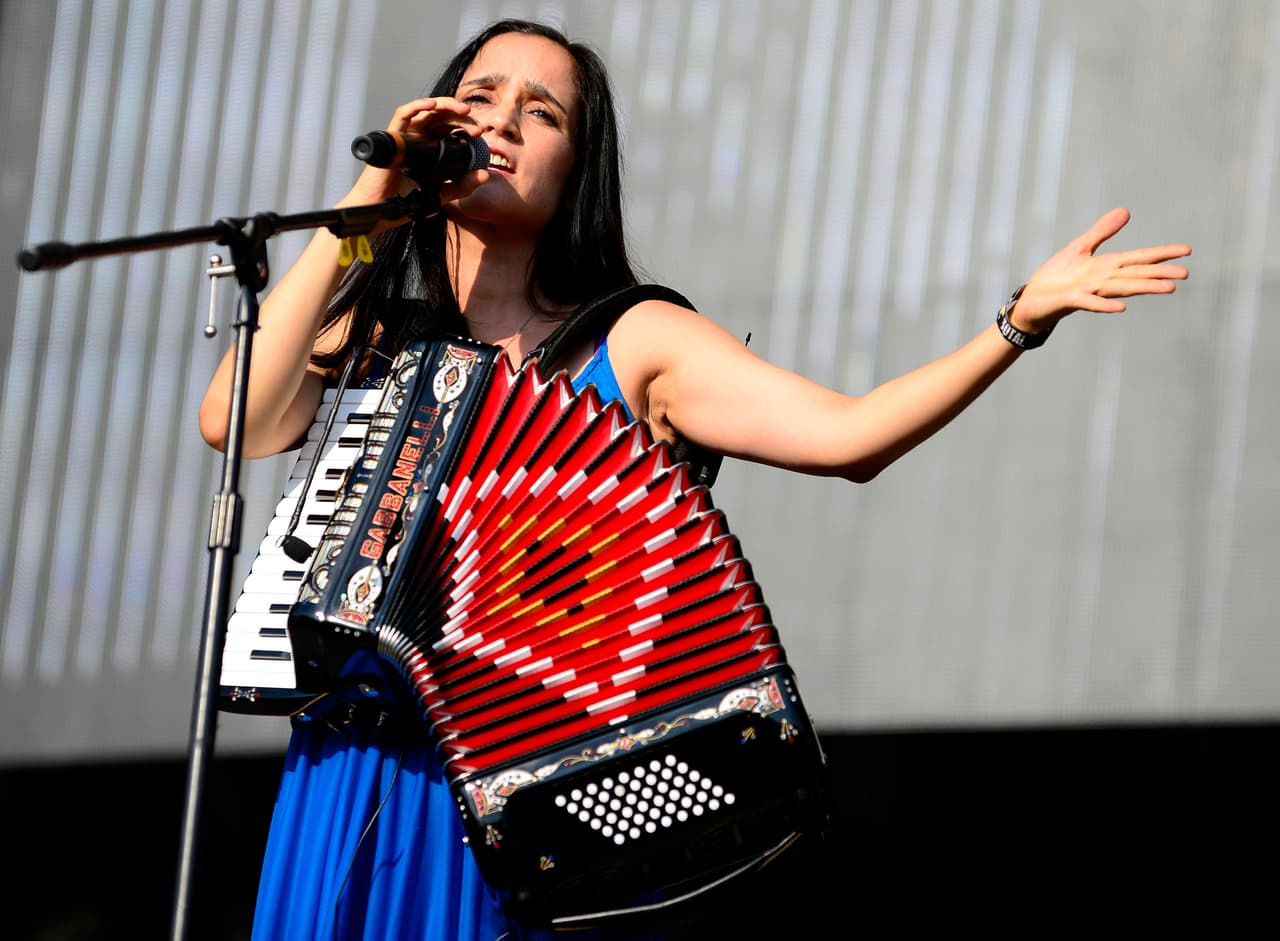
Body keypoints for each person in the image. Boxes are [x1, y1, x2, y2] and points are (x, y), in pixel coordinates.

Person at [198, 17, 1191, 941]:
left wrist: (1017, 320)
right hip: (340, 774)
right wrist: (368, 202)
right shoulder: (373, 339)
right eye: (481, 95)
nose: (500, 120)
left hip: (499, 799)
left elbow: (850, 435)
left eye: (539, 112)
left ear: (576, 169)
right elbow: (235, 418)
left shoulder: (633, 341)